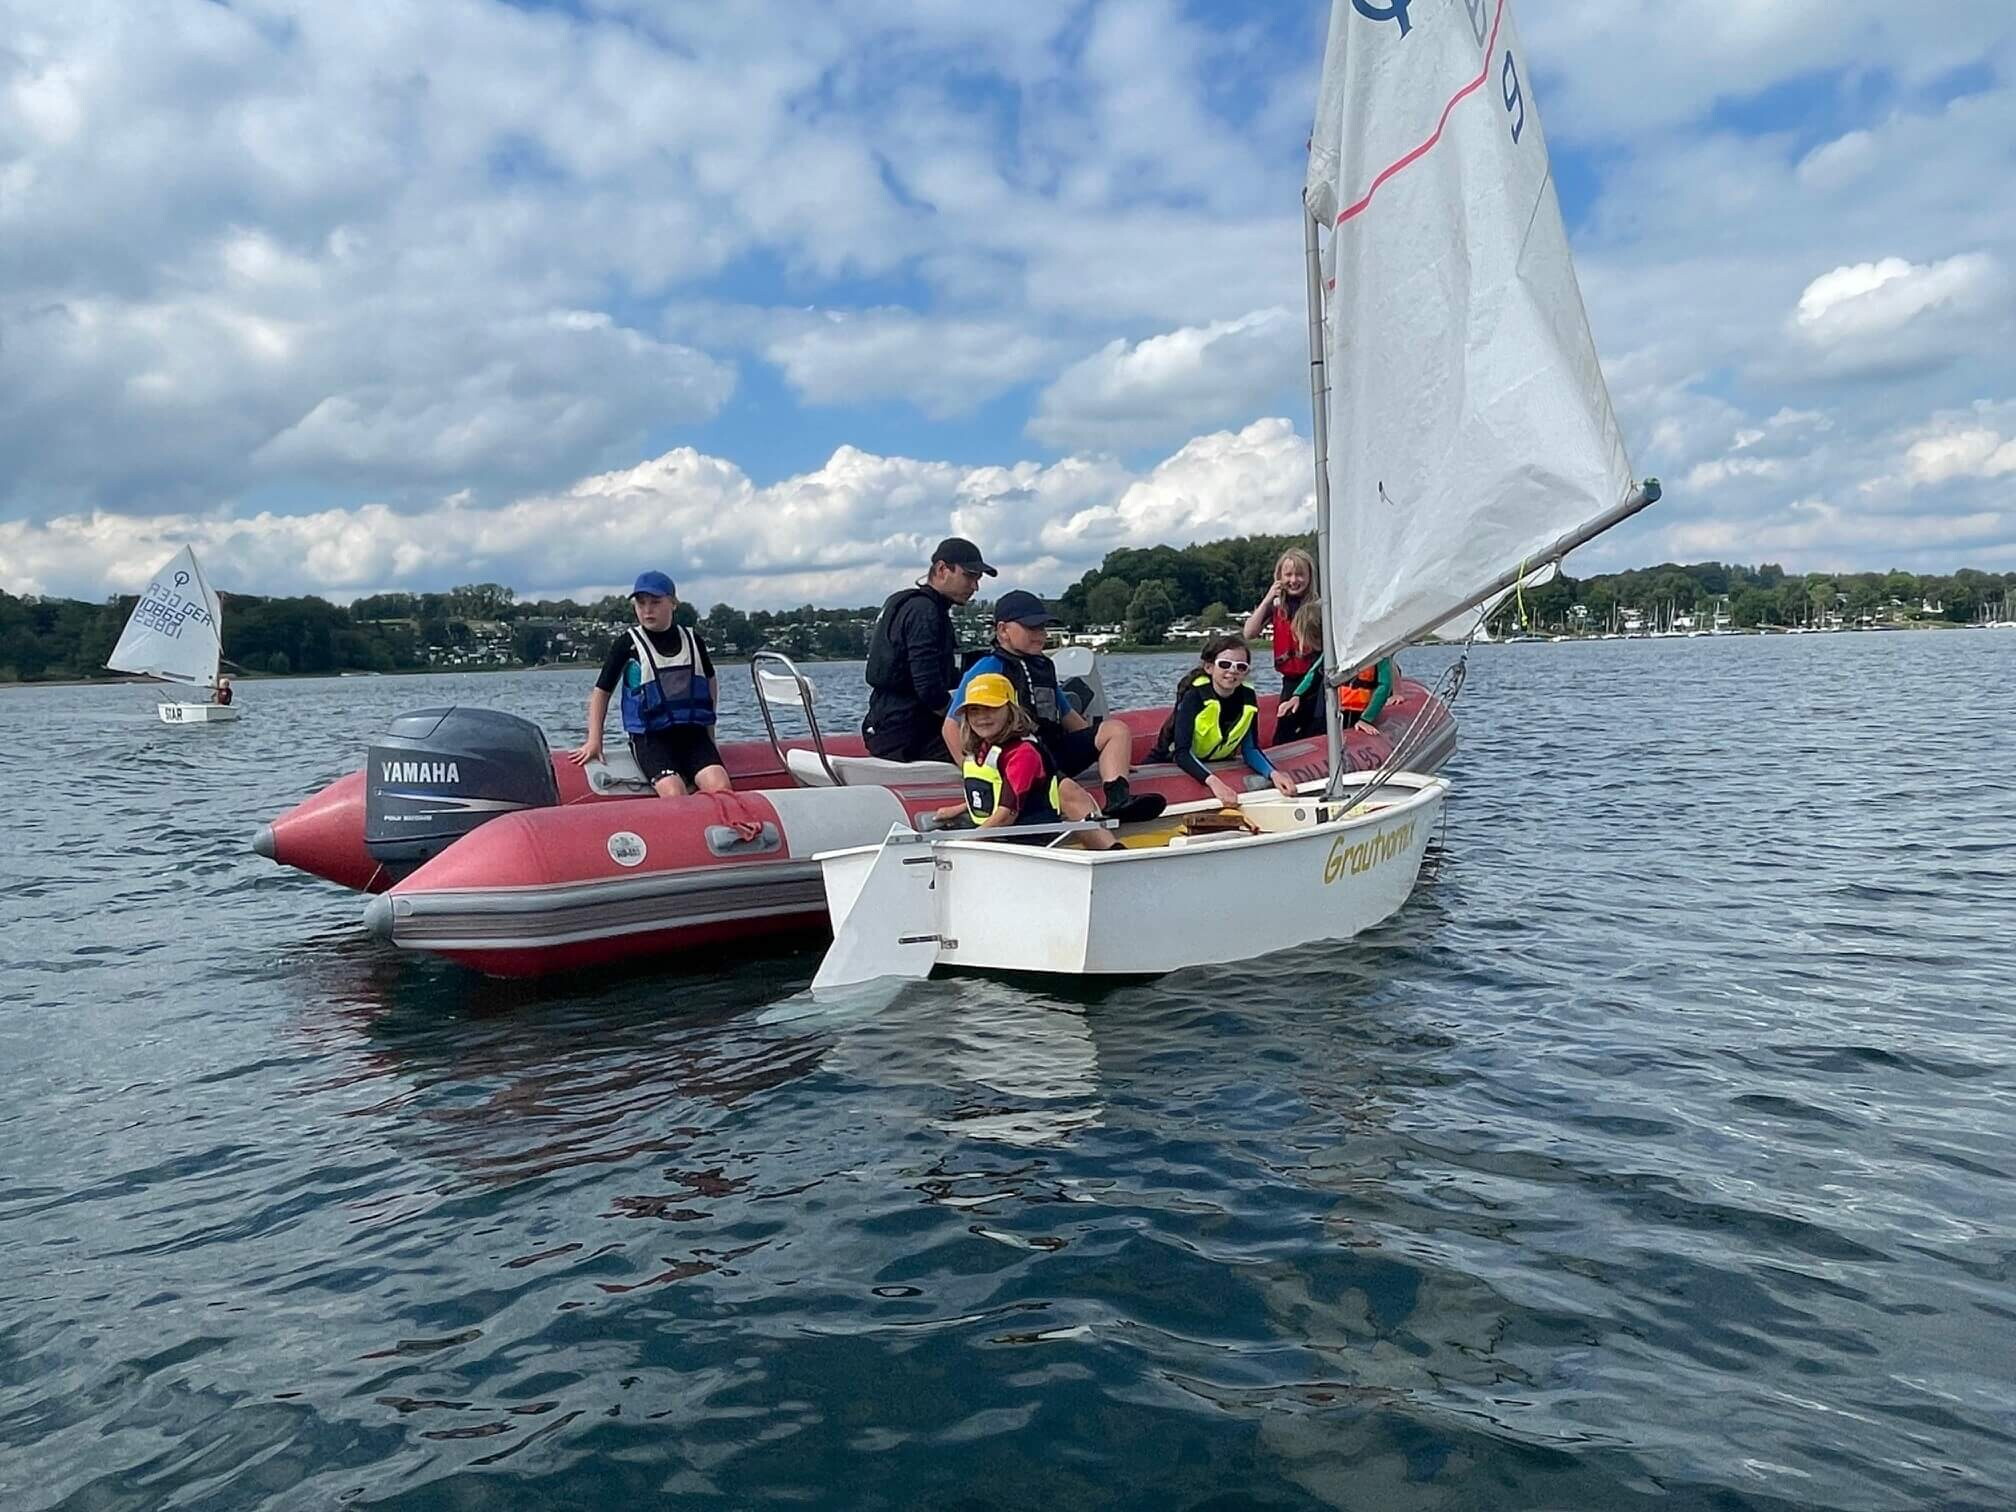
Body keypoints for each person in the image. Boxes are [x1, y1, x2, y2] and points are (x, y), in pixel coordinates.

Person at [943, 589, 1137, 815]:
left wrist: (1109, 755)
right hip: (1021, 759)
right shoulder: (988, 668)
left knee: (1116, 730)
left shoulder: (1043, 666)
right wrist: (972, 773)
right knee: (1065, 790)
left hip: (1053, 750)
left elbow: (1068, 716)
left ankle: (1118, 798)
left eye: (1042, 627)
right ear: (1003, 630)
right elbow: (950, 727)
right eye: (1031, 627)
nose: (1040, 634)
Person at [570, 571, 741, 802]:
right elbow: (602, 692)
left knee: (720, 785)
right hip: (651, 739)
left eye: (655, 602)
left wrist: (710, 734)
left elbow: (709, 682)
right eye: (641, 603)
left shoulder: (693, 640)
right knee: (673, 791)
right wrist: (594, 740)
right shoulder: (627, 644)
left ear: (673, 603)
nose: (647, 610)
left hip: (693, 735)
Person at [927, 673, 1117, 849]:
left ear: (1010, 710)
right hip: (1000, 837)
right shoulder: (985, 747)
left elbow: (1005, 817)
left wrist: (961, 845)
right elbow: (993, 791)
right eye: (974, 710)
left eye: (991, 708)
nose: (982, 717)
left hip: (1028, 843)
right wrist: (960, 809)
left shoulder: (1022, 754)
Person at [862, 537, 994, 763]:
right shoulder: (925, 611)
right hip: (908, 734)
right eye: (969, 576)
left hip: (883, 724)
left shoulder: (905, 603)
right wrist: (964, 720)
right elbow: (929, 690)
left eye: (978, 579)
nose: (975, 587)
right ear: (942, 569)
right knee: (998, 750)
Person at [1149, 632, 1299, 809]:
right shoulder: (1194, 697)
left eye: (1240, 667)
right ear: (1209, 667)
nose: (1232, 671)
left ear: (1246, 672)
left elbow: (1250, 748)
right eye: (1225, 664)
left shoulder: (1247, 698)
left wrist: (1273, 774)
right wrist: (1214, 782)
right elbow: (1181, 753)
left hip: (1214, 761)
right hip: (1167, 762)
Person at [1275, 600, 1394, 737]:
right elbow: (1313, 674)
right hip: (1332, 714)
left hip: (1356, 716)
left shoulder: (1376, 649)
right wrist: (1297, 696)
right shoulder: (1333, 649)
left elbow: (1384, 684)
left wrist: (1366, 719)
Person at [1241, 546, 1320, 744]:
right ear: (1280, 577)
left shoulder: (1319, 607)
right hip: (1291, 680)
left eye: (1300, 575)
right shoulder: (1276, 606)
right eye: (1288, 575)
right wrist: (1268, 598)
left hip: (1317, 680)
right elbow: (1249, 633)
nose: (1294, 580)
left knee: (1316, 729)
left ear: (1310, 576)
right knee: (1284, 734)